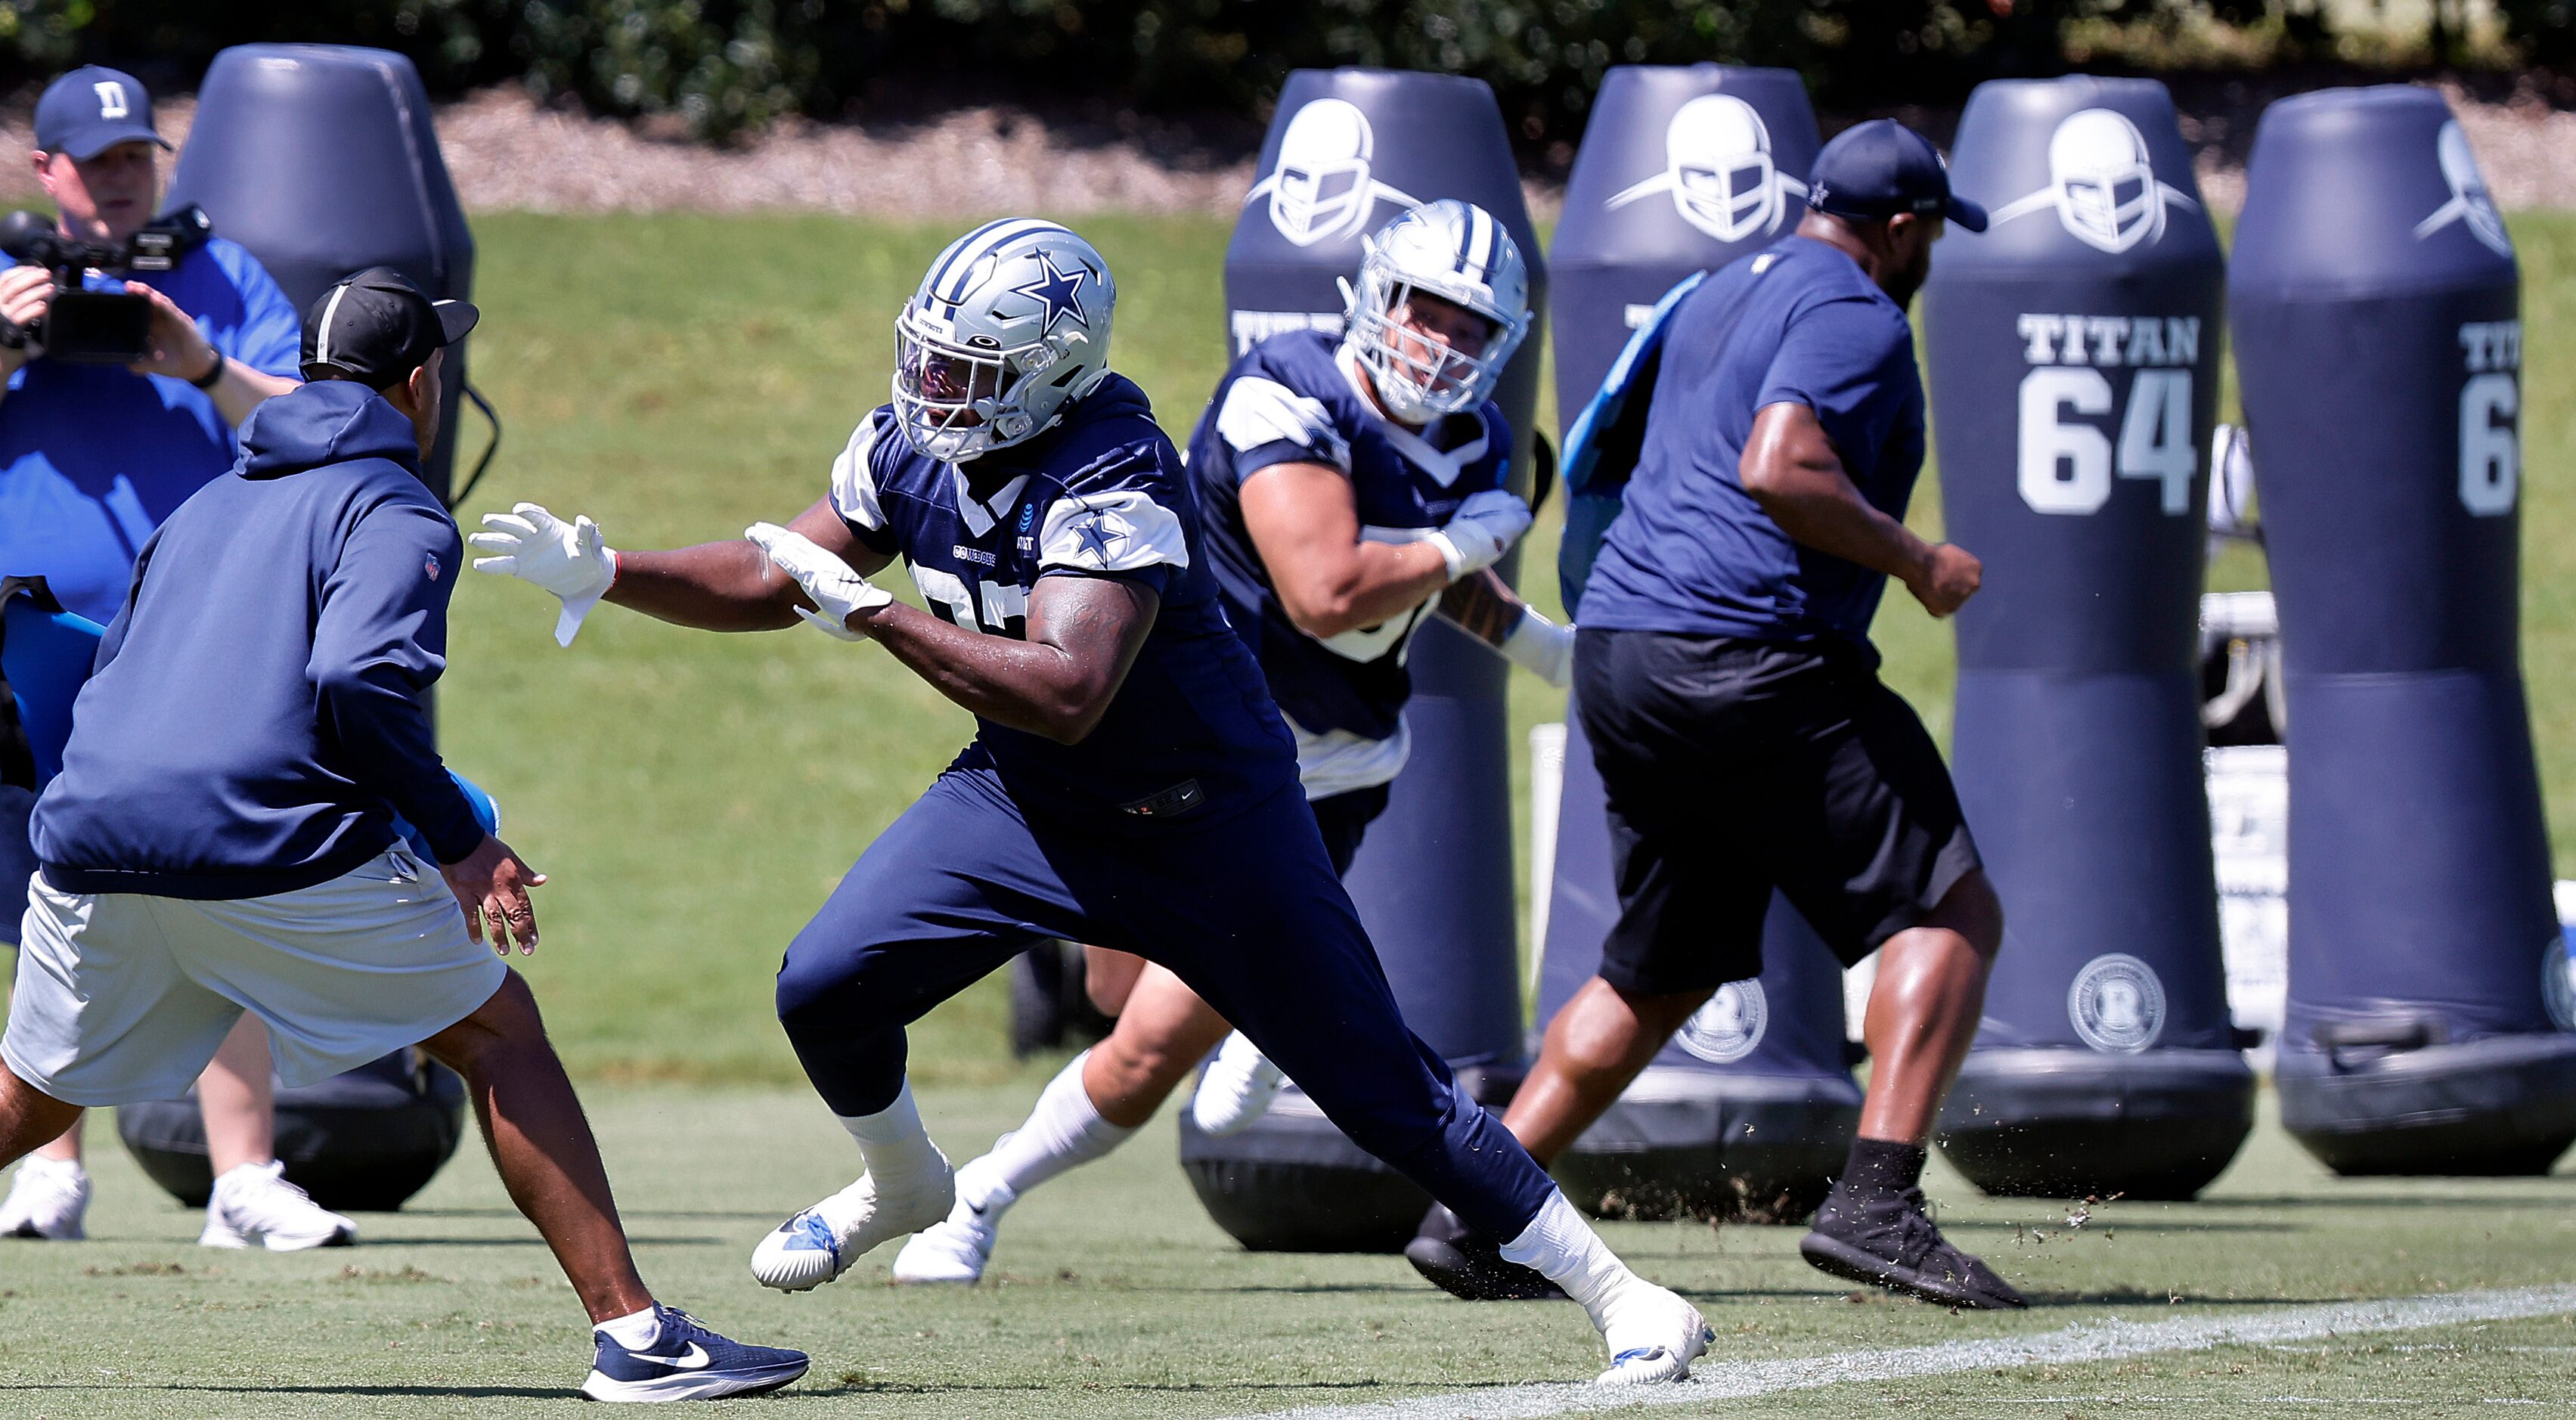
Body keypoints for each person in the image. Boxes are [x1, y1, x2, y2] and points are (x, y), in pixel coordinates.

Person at [471, 218, 1710, 1386]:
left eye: (967, 372)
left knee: (1383, 1089)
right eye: (927, 360)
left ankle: (1625, 1300)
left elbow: (1068, 685)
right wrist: (612, 570)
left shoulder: (1112, 459)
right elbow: (782, 567)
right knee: (825, 981)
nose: (933, 393)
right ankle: (903, 1180)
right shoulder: (910, 441)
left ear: (1048, 375)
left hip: (1207, 821)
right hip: (1031, 800)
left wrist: (877, 613)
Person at [0, 268, 805, 1402]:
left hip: (88, 842)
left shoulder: (204, 502)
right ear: (422, 381)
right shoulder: (396, 505)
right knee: (497, 1031)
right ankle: (639, 1339)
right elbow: (356, 677)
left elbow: (105, 672)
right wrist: (458, 837)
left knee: (30, 1102)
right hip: (261, 846)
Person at [888, 199, 1576, 1287]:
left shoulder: (1479, 437)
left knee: (1156, 1041)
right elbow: (1329, 590)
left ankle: (979, 1196)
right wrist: (1458, 543)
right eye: (1426, 311)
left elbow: (1419, 587)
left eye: (1470, 328)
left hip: (1337, 767)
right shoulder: (1283, 391)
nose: (1441, 344)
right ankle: (1251, 1014)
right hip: (1198, 758)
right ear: (1374, 296)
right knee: (1125, 1005)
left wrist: (1548, 651)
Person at [1403, 120, 2024, 1312]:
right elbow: (1780, 465)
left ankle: (1482, 1207)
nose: (1931, 252)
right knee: (1950, 903)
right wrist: (1916, 561)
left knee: (1662, 964)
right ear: (1899, 231)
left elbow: (1612, 452)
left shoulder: (1713, 291)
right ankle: (1879, 1201)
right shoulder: (1857, 310)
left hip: (1628, 655)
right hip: (1747, 651)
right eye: (1932, 232)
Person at [0, 65, 338, 1250]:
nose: (120, 181)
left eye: (137, 159)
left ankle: (242, 1178)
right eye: (96, 166)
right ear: (46, 172)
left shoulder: (221, 274)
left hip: (194, 641)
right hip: (23, 640)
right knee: (34, 901)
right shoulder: (3, 279)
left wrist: (195, 359)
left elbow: (308, 428)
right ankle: (45, 1173)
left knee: (215, 886)